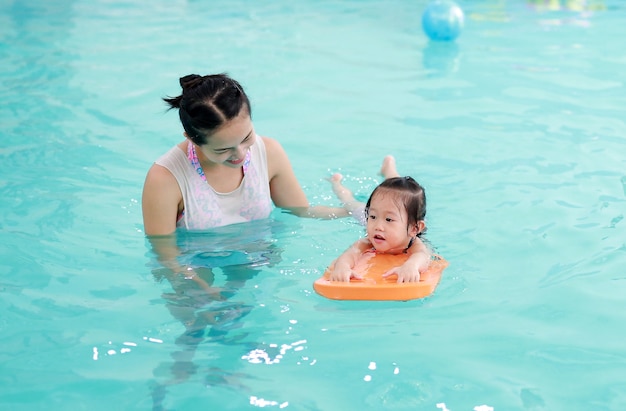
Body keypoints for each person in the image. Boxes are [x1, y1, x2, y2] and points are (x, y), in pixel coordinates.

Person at [327, 169, 432, 283]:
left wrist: (411, 266)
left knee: (402, 195)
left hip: (400, 218)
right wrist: (343, 268)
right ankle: (336, 183)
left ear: (414, 229)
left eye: (389, 220)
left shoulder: (414, 244)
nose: (378, 226)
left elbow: (423, 256)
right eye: (372, 217)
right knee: (349, 202)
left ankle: (389, 168)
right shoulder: (367, 242)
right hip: (363, 213)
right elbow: (348, 256)